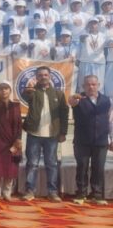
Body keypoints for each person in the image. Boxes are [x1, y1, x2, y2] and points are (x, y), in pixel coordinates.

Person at [21, 65, 69, 202]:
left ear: (50, 77)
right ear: (36, 77)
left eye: (46, 75)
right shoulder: (32, 92)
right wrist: (28, 89)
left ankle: (52, 192)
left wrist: (63, 132)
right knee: (32, 164)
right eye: (40, 75)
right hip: (34, 134)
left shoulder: (58, 94)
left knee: (52, 164)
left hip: (52, 135)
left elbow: (64, 114)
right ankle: (30, 191)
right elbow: (26, 96)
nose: (43, 77)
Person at [69, 74, 113, 205]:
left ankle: (97, 194)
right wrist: (73, 98)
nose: (91, 87)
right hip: (82, 141)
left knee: (98, 168)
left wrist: (112, 138)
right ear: (83, 86)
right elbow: (70, 101)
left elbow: (111, 121)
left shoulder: (107, 101)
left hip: (101, 141)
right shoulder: (78, 99)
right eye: (88, 84)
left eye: (93, 84)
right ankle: (81, 194)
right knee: (82, 167)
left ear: (98, 85)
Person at [0, 78, 23, 201]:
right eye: (1, 89)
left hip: (11, 140)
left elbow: (18, 124)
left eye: (6, 88)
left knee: (10, 167)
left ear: (10, 91)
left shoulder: (16, 106)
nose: (3, 91)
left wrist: (18, 139)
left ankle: (7, 193)